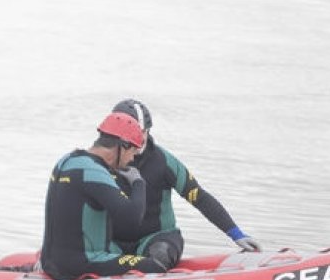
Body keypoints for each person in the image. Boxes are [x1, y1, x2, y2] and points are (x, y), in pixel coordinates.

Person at [108, 99, 260, 269]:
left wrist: (235, 233)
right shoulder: (99, 162)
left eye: (142, 132)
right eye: (132, 133)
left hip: (157, 238)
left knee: (160, 254)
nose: (138, 139)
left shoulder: (165, 162)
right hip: (113, 242)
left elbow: (198, 197)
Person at [39, 112, 171, 280]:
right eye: (132, 151)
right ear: (122, 146)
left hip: (51, 261)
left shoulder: (66, 160)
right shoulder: (94, 171)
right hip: (80, 264)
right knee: (153, 266)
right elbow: (132, 218)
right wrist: (138, 182)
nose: (132, 159)